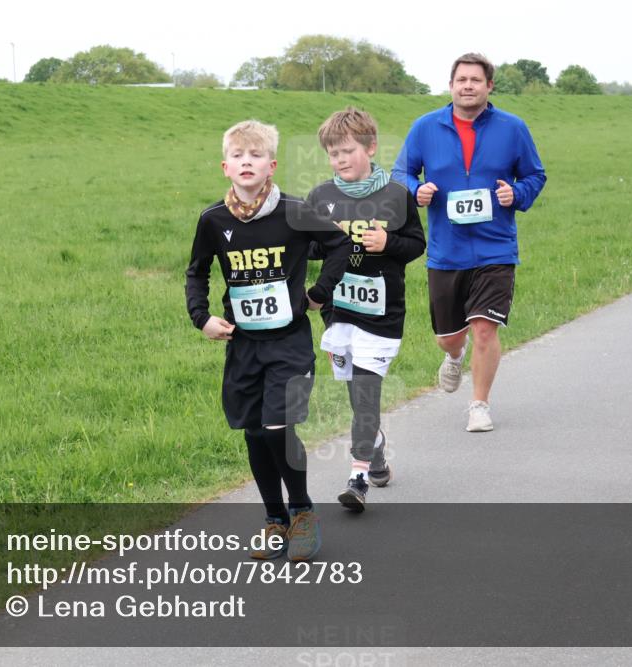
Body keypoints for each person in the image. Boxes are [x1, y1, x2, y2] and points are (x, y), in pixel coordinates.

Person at [185, 120, 349, 561]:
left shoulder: (295, 211)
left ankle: (303, 513)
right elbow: (197, 272)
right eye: (238, 156)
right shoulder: (213, 220)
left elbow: (340, 246)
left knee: (278, 425)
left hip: (289, 343)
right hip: (243, 344)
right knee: (255, 432)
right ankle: (274, 519)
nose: (246, 163)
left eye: (255, 156)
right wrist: (201, 318)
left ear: (271, 164)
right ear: (225, 166)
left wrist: (317, 294)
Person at [392, 53, 546, 432]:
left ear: (489, 86)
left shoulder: (513, 128)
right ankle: (454, 356)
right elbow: (401, 172)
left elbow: (535, 175)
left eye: (476, 80)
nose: (468, 86)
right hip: (447, 250)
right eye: (461, 80)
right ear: (451, 85)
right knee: (449, 337)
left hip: (495, 247)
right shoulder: (426, 127)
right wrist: (417, 189)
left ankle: (479, 404)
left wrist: (517, 193)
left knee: (484, 327)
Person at [306, 107, 425, 512]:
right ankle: (374, 451)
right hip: (339, 314)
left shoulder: (395, 195)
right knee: (357, 396)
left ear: (371, 148)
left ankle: (356, 480)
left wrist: (387, 244)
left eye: (347, 151)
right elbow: (308, 248)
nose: (339, 160)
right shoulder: (321, 197)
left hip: (381, 316)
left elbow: (416, 245)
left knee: (368, 393)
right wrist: (325, 243)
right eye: (332, 153)